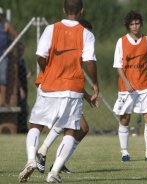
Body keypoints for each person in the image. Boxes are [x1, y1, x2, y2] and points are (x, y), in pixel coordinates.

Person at [18, 0, 99, 183]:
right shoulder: (86, 34)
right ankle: (54, 172)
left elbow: (40, 56)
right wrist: (95, 83)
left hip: (50, 87)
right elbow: (89, 61)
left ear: (64, 9)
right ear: (82, 10)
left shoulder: (51, 29)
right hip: (72, 88)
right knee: (71, 130)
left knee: (36, 126)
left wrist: (48, 71)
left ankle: (32, 158)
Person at [36, 19, 95, 175]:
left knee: (82, 128)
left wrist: (87, 96)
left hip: (65, 91)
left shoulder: (77, 50)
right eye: (87, 33)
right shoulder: (70, 47)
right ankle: (42, 152)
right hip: (55, 91)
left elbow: (73, 80)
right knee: (67, 123)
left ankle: (57, 161)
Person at [113, 10, 147, 162]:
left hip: (144, 86)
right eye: (132, 24)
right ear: (128, 26)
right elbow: (118, 65)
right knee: (125, 119)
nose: (135, 26)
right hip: (126, 87)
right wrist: (126, 82)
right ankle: (124, 152)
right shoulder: (121, 41)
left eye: (137, 23)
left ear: (141, 24)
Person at [0, 7, 17, 107]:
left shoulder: (5, 25)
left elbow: (16, 36)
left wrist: (10, 48)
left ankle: (2, 102)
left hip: (3, 55)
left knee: (2, 79)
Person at [17, 42, 30, 133]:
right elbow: (15, 76)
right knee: (20, 107)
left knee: (24, 107)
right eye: (20, 49)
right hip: (19, 88)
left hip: (24, 86)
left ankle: (24, 126)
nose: (22, 51)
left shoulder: (22, 60)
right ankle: (21, 127)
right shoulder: (15, 61)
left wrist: (27, 74)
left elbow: (23, 73)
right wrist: (20, 88)